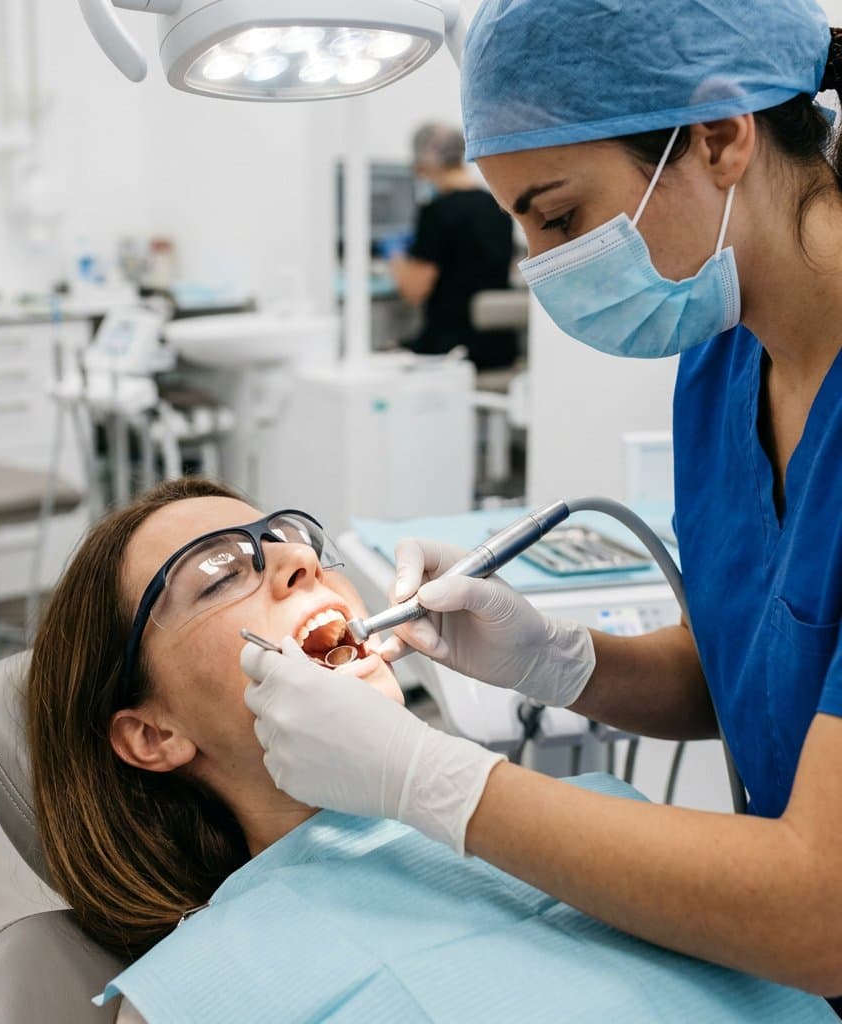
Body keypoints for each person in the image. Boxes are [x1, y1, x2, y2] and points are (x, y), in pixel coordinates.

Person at [242, 0, 842, 1014]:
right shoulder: (719, 363)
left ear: (718, 137)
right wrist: (558, 661)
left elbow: (823, 909)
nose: (540, 263)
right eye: (520, 222)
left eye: (557, 215)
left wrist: (429, 780)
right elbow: (749, 675)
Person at [25, 479, 829, 1024]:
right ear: (153, 734)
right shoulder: (196, 995)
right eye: (215, 576)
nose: (297, 560)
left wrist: (558, 662)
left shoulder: (597, 819)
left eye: (286, 538)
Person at [390, 122, 519, 370]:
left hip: (452, 348)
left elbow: (414, 291)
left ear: (422, 164)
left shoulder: (438, 211)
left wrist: (395, 257)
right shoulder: (497, 205)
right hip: (499, 348)